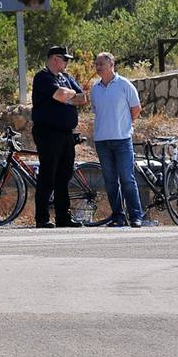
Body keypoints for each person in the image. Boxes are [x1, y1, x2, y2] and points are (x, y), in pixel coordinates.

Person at [89, 51, 152, 227]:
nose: (98, 67)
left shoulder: (124, 85)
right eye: (97, 64)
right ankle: (118, 216)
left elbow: (136, 108)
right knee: (110, 181)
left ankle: (135, 216)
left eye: (101, 64)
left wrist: (124, 124)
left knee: (127, 178)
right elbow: (97, 110)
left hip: (122, 139)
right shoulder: (95, 89)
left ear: (111, 65)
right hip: (102, 141)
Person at [31, 45, 89, 228]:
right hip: (48, 132)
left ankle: (63, 217)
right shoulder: (43, 77)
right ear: (55, 59)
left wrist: (67, 96)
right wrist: (67, 96)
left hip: (65, 134)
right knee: (48, 175)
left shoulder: (66, 78)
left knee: (64, 176)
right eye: (65, 59)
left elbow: (82, 98)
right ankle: (42, 218)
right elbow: (60, 94)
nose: (67, 63)